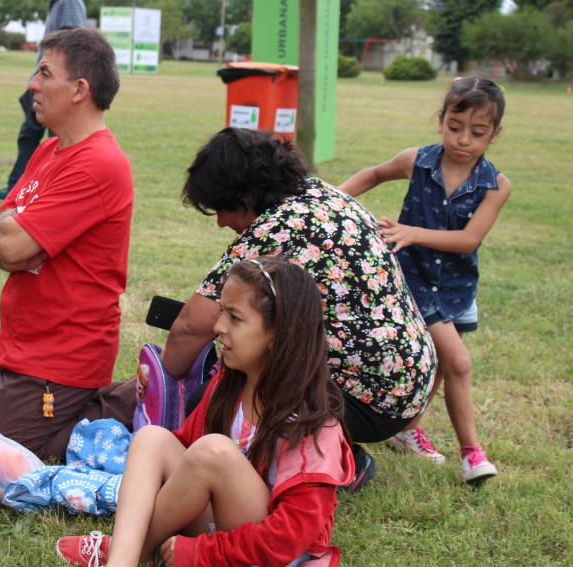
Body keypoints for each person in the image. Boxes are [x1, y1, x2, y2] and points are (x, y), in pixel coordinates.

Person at [159, 128, 437, 493]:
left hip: (368, 400)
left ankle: (339, 462)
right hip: (409, 384)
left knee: (215, 399)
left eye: (220, 208)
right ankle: (334, 448)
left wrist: (164, 384)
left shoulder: (276, 229)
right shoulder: (321, 194)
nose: (220, 222)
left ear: (243, 198)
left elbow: (190, 328)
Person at [56, 259, 354, 567]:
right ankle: (124, 558)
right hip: (223, 526)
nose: (218, 326)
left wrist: (203, 552)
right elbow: (186, 459)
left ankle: (125, 549)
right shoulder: (229, 384)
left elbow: (289, 538)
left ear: (277, 334)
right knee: (151, 439)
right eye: (221, 310)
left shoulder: (312, 423)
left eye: (235, 317)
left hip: (274, 556)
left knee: (214, 451)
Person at [340, 77, 509, 484]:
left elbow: (469, 241)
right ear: (441, 120)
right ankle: (472, 455)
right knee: (459, 363)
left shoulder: (496, 185)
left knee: (435, 368)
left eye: (477, 132)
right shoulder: (417, 160)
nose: (463, 140)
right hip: (412, 283)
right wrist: (332, 200)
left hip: (456, 288)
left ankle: (407, 429)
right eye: (455, 126)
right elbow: (373, 174)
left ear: (495, 134)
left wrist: (411, 232)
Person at [0, 28, 135, 461]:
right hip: (25, 355)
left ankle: (119, 411)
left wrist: (10, 228)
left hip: (58, 364)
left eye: (44, 73)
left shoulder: (98, 164)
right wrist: (6, 225)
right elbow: (5, 236)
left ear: (79, 89)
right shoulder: (48, 151)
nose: (32, 84)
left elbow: (11, 249)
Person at [0, 0, 85, 202]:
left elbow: (72, 42)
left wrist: (56, 82)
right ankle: (17, 188)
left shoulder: (68, 1)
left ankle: (43, 191)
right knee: (31, 137)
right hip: (45, 82)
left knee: (55, 142)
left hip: (54, 86)